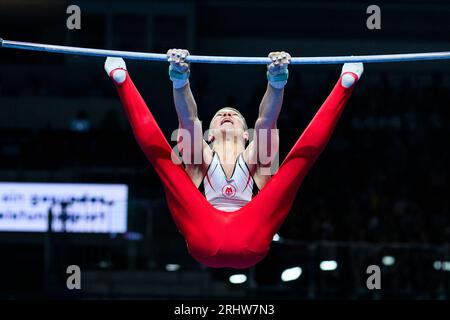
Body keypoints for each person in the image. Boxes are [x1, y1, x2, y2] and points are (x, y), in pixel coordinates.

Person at [104, 50, 363, 269]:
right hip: (211, 233)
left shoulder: (256, 157)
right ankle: (127, 79)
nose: (227, 114)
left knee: (297, 163)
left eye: (234, 115)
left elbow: (266, 120)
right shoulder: (201, 156)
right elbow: (189, 120)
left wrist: (275, 81)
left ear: (245, 133)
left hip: (246, 234)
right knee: (165, 161)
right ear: (210, 134)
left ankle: (342, 83)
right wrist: (180, 79)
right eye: (220, 115)